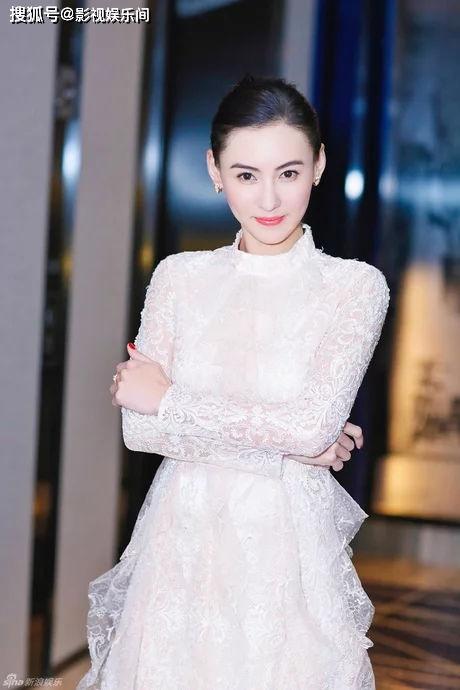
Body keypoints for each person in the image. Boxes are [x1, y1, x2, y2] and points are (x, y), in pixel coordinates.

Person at [77, 75, 390, 690]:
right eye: (246, 174)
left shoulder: (354, 288)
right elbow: (141, 432)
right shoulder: (178, 278)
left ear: (319, 166)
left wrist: (169, 399)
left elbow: (308, 427)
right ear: (214, 171)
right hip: (180, 547)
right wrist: (290, 447)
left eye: (289, 172)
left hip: (285, 552)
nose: (269, 197)